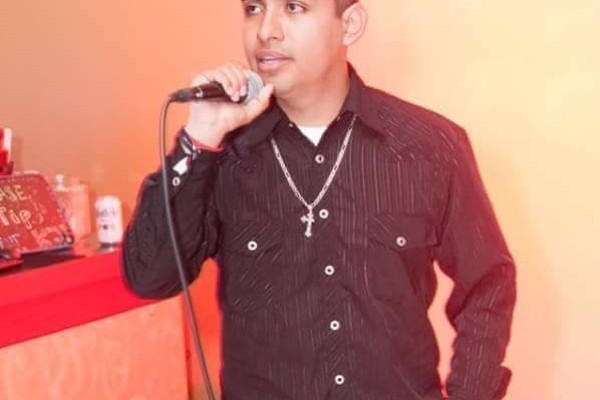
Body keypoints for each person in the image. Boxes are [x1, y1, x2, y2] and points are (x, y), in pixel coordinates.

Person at [122, 0, 517, 399]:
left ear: (350, 24)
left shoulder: (429, 146)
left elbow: (488, 283)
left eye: (294, 7)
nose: (266, 30)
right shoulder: (222, 152)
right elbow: (150, 276)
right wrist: (200, 137)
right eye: (254, 8)